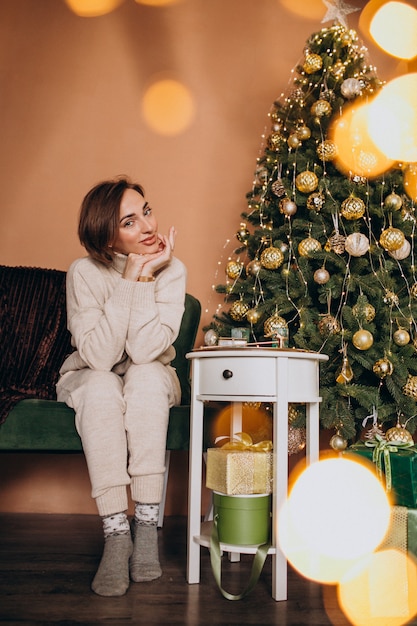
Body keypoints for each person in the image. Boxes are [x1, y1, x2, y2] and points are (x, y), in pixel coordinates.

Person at [56, 177, 187, 596]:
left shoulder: (172, 269)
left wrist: (147, 276)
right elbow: (98, 356)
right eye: (129, 222)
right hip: (92, 375)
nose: (148, 227)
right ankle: (116, 534)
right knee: (99, 385)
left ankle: (145, 528)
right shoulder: (84, 272)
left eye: (145, 211)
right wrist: (131, 279)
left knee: (146, 376)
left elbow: (146, 350)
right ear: (107, 239)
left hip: (150, 374)